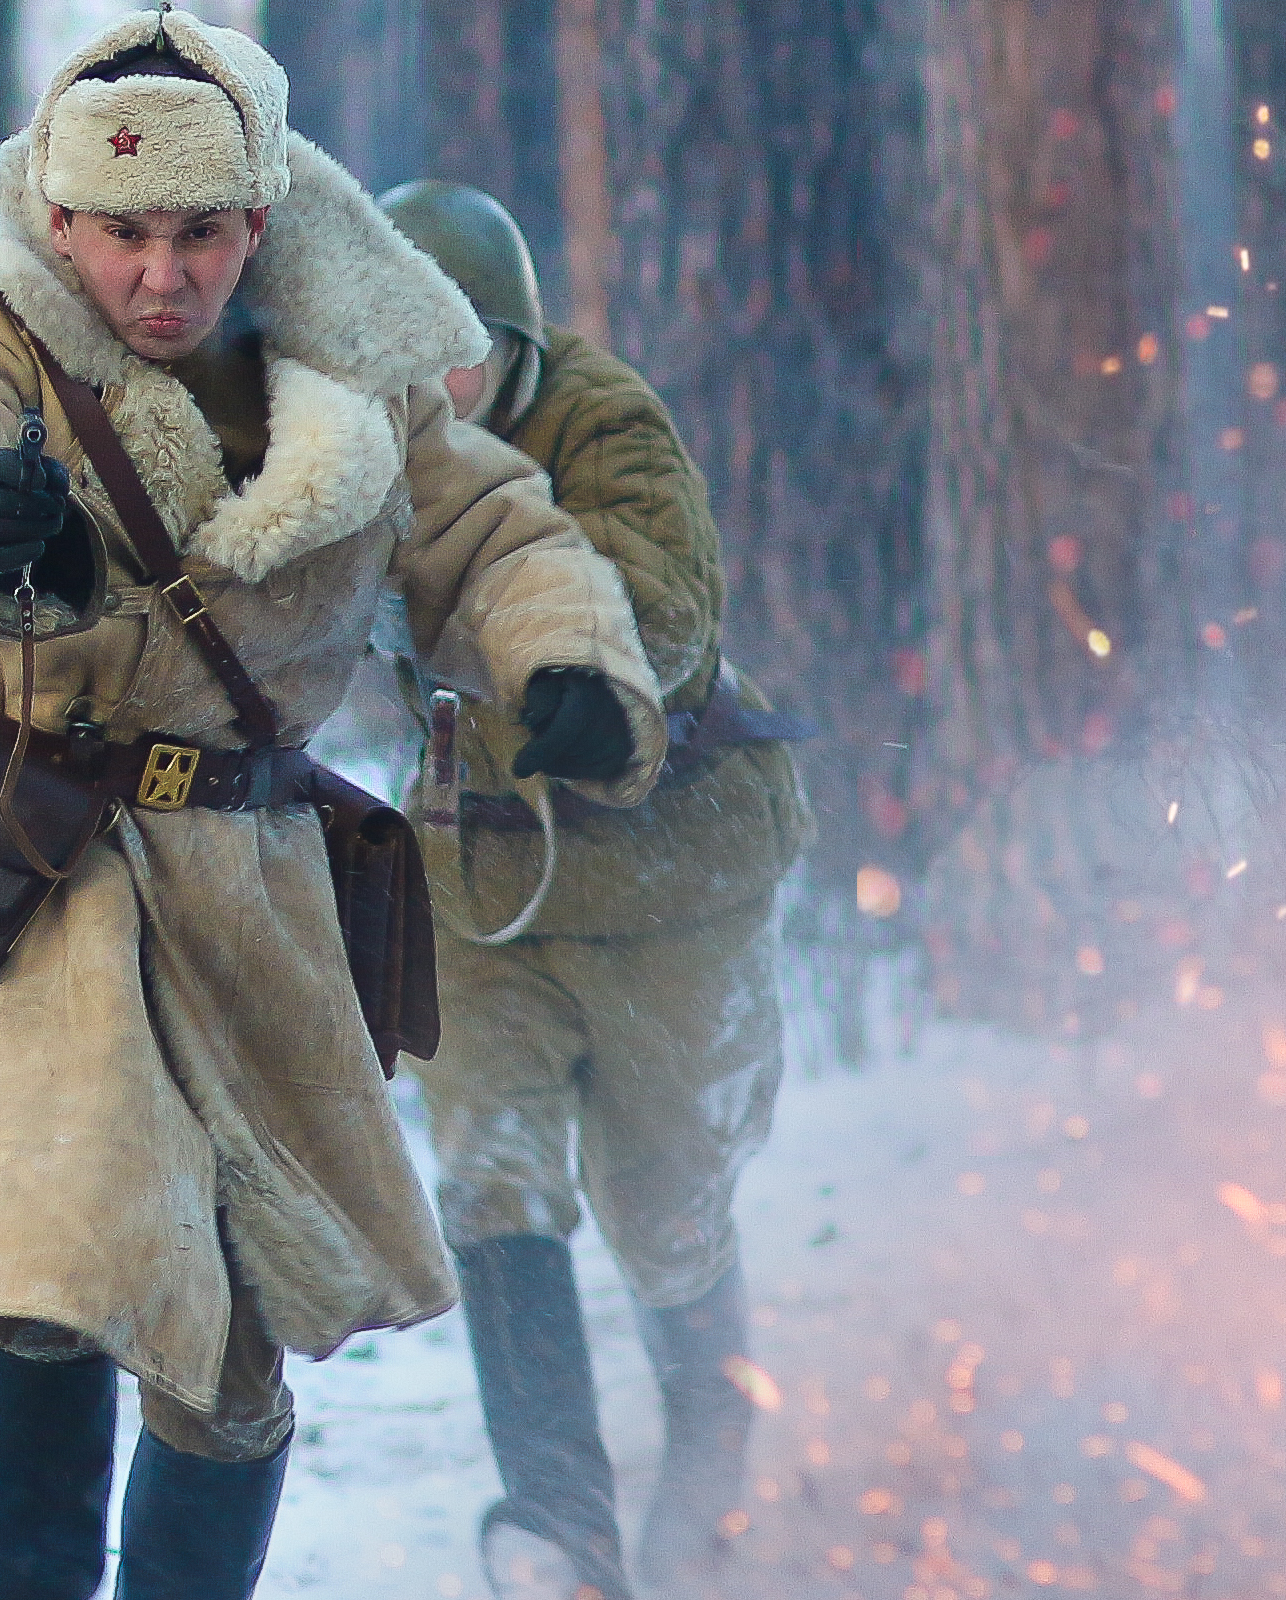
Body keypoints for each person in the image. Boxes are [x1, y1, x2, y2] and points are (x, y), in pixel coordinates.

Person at [0, 9, 671, 1599]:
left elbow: (493, 528)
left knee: (235, 1336)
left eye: (199, 231)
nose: (161, 273)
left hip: (249, 875)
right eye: (124, 232)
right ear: (62, 220)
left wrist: (567, 659)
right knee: (71, 1254)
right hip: (26, 851)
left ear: (256, 221)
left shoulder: (346, 355)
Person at [376, 180, 815, 1600]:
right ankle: (562, 1527)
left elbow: (667, 599)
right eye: (400, 344)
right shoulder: (360, 435)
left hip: (663, 874)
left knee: (668, 1199)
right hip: (480, 878)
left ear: (511, 338)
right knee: (492, 1174)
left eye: (456, 346)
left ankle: (711, 1437)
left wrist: (588, 679)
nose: (431, 379)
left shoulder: (603, 415)